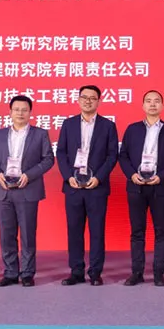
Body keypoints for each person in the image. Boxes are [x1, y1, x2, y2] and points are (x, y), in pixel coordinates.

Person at [0, 95, 55, 287]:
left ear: (30, 112)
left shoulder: (40, 134)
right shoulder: (0, 134)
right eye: (16, 109)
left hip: (27, 189)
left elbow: (48, 159)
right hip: (4, 190)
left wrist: (29, 175)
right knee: (6, 234)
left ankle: (27, 273)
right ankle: (10, 272)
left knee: (27, 233)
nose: (20, 113)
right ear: (10, 112)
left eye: (24, 110)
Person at [117, 90, 164, 287]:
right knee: (137, 231)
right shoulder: (132, 129)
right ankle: (136, 272)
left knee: (161, 231)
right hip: (136, 186)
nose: (152, 104)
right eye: (148, 101)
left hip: (160, 186)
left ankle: (158, 273)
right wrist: (132, 174)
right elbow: (123, 155)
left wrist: (161, 176)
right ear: (143, 106)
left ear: (162, 106)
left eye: (156, 101)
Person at [57, 85, 119, 286]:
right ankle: (76, 271)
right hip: (73, 186)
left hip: (96, 187)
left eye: (92, 98)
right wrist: (68, 177)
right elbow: (61, 152)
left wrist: (99, 177)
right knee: (74, 230)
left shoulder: (108, 126)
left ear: (99, 101)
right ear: (78, 100)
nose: (88, 101)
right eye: (84, 97)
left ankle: (95, 272)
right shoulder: (68, 124)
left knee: (97, 231)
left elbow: (112, 155)